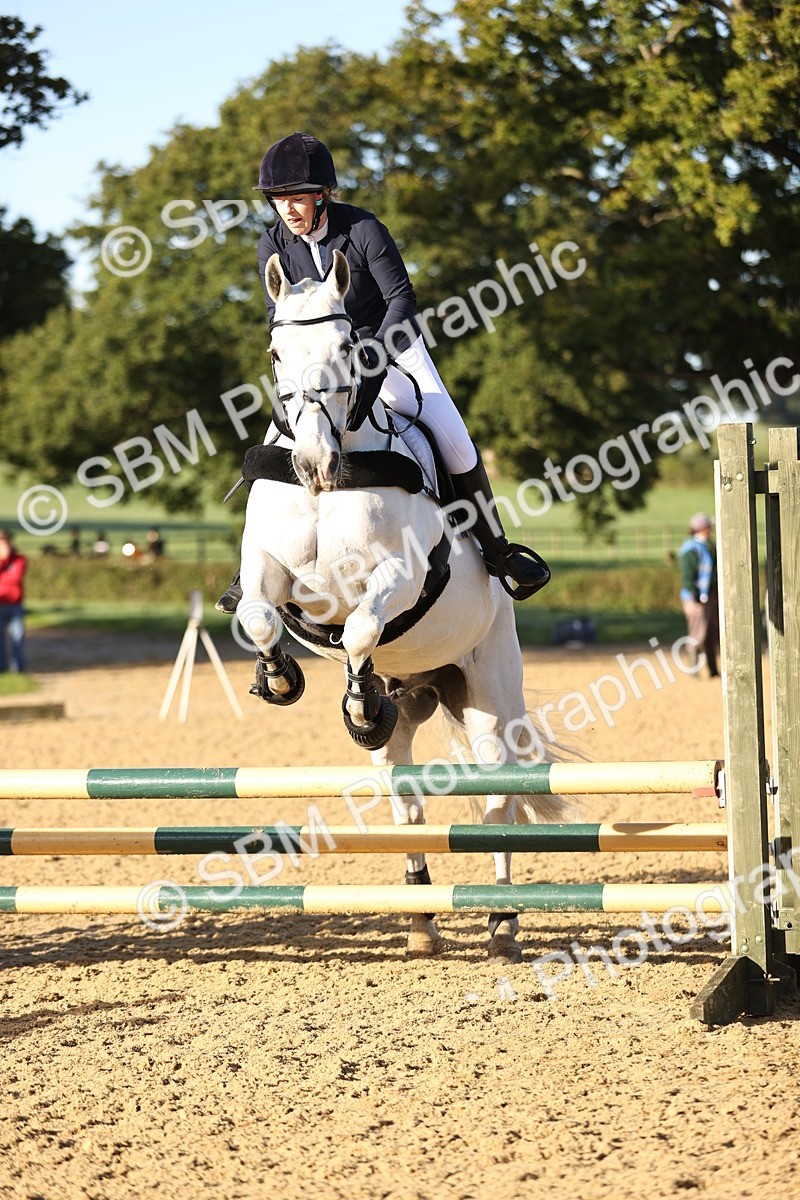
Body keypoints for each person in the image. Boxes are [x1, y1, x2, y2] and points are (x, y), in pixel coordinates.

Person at [217, 131, 550, 613]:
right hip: (318, 364)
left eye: (297, 198)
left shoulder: (364, 229)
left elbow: (403, 302)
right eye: (278, 199)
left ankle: (498, 552)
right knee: (274, 443)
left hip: (389, 347)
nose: (287, 209)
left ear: (322, 194)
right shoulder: (271, 243)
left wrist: (371, 354)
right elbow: (279, 314)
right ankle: (250, 568)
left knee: (453, 441)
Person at [679, 513, 719, 678]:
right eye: (709, 526)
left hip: (710, 596)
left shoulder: (708, 545)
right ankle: (693, 671)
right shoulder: (690, 549)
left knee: (711, 634)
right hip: (696, 598)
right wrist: (695, 598)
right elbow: (688, 577)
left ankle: (712, 670)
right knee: (697, 634)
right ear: (702, 528)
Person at [0, 528, 27, 674]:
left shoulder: (19, 560)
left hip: (15, 605)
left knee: (18, 637)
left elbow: (15, 578)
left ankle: (18, 668)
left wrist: (7, 560)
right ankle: (1, 668)